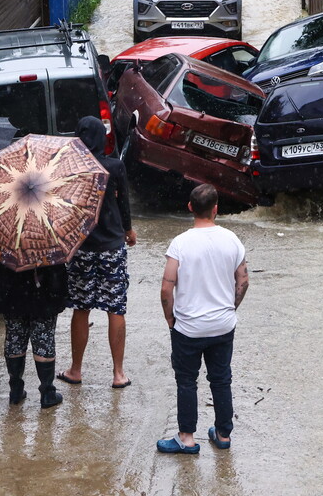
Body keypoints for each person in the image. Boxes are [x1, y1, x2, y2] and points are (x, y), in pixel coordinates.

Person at [157, 183, 249, 455]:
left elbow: (166, 288)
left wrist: (170, 319)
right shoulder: (232, 239)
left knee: (187, 380)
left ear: (190, 208)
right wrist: (230, 309)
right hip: (222, 325)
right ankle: (222, 434)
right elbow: (243, 281)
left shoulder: (180, 244)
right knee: (221, 379)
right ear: (216, 209)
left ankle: (186, 437)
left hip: (188, 327)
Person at [59, 117, 136, 389]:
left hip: (81, 248)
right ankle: (118, 374)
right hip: (111, 247)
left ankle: (76, 370)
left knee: (81, 308)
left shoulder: (72, 170)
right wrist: (128, 230)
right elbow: (123, 202)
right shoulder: (114, 167)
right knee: (115, 308)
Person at [0, 257, 72, 408]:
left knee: (14, 335)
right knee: (44, 337)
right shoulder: (50, 232)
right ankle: (47, 393)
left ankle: (15, 391)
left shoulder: (4, 233)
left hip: (10, 282)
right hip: (45, 284)